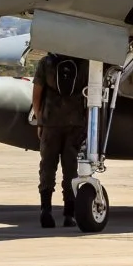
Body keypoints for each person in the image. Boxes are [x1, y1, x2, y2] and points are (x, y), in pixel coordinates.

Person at [32, 52, 88, 228]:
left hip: (51, 122)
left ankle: (46, 211)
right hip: (74, 123)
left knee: (47, 167)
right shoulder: (84, 63)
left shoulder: (46, 63)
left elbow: (37, 94)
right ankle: (69, 214)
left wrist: (40, 120)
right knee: (70, 169)